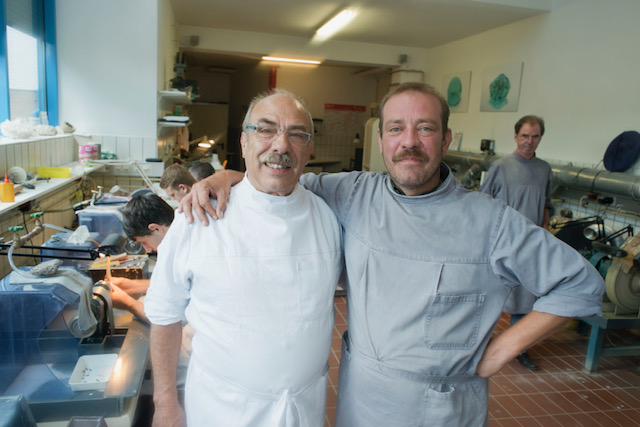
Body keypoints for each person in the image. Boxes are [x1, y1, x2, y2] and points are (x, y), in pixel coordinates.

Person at [182, 82, 605, 426]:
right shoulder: (352, 193)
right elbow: (280, 178)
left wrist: (498, 353)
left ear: (445, 139)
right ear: (381, 139)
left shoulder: (491, 223)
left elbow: (581, 284)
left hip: (441, 408)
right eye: (396, 129)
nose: (410, 142)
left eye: (425, 128)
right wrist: (227, 175)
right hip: (359, 402)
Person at [144, 89, 343, 426]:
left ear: (309, 150)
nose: (280, 146)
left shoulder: (326, 217)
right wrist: (165, 404)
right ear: (244, 142)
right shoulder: (198, 216)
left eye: (296, 134)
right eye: (265, 130)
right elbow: (164, 314)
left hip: (303, 407)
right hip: (224, 408)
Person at [479, 115, 552, 371]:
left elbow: (547, 204)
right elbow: (483, 203)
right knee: (490, 295)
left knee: (525, 298)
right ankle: (479, 345)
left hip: (529, 245)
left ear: (540, 138)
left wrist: (543, 229)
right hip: (501, 242)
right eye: (524, 136)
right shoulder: (500, 167)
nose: (529, 142)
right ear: (515, 136)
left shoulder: (544, 169)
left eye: (535, 137)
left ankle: (520, 350)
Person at [108, 192, 176, 323]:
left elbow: (164, 320)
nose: (148, 250)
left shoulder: (185, 255)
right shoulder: (180, 240)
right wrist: (132, 285)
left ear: (155, 228)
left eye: (144, 242)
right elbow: (173, 285)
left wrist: (128, 303)